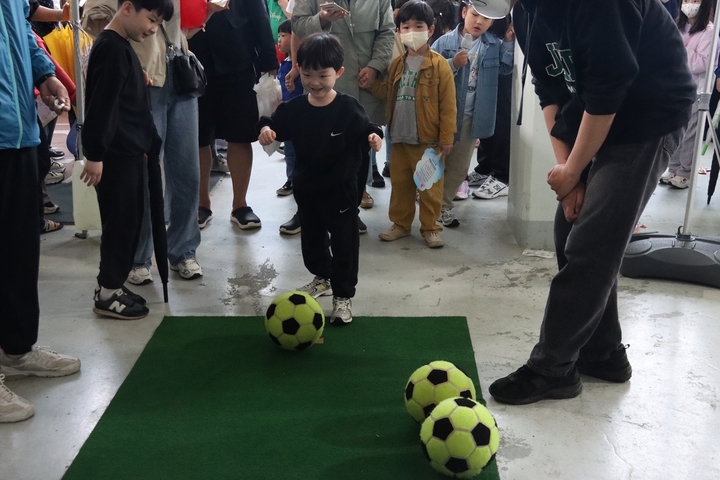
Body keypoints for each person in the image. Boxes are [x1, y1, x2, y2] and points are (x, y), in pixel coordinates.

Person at [489, 0, 696, 405]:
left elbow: (608, 86)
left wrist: (574, 171)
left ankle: (553, 369)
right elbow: (549, 89)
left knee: (592, 243)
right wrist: (569, 175)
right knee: (571, 228)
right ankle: (603, 353)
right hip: (594, 116)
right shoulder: (526, 10)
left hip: (646, 118)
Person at [258, 33, 383, 325]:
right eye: (307, 74)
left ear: (338, 73)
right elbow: (272, 124)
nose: (314, 82)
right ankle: (322, 277)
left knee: (344, 244)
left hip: (341, 190)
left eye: (323, 75)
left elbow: (368, 127)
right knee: (312, 244)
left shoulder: (347, 108)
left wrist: (374, 136)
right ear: (298, 71)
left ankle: (343, 295)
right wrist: (265, 129)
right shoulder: (295, 110)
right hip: (307, 190)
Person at [0, 0, 80, 424]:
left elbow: (20, 31)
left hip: (18, 130)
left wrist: (45, 73)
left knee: (18, 245)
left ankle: (17, 348)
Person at [80, 0, 173, 320]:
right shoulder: (111, 48)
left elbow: (120, 93)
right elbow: (101, 106)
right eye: (151, 19)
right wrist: (94, 155)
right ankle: (107, 292)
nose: (153, 28)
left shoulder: (121, 48)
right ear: (128, 8)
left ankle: (113, 284)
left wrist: (138, 77)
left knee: (130, 223)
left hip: (131, 153)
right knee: (120, 225)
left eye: (159, 23)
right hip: (116, 157)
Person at [291, 0, 395, 229]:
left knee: (358, 149)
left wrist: (375, 66)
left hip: (364, 83)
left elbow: (388, 31)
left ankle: (350, 208)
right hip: (323, 85)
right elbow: (297, 26)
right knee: (315, 147)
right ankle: (306, 209)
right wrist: (322, 20)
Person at [365, 0, 457, 248]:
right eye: (405, 26)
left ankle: (430, 227)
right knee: (401, 186)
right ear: (398, 31)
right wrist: (371, 85)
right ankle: (401, 224)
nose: (411, 31)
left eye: (418, 26)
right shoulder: (397, 64)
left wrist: (447, 137)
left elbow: (448, 105)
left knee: (430, 189)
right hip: (398, 138)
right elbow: (388, 92)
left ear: (431, 29)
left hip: (428, 141)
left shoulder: (439, 65)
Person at [189, 0, 278, 231]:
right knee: (198, 136)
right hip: (194, 62)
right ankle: (201, 203)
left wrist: (269, 60)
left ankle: (240, 205)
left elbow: (260, 15)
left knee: (239, 135)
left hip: (239, 61)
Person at [431, 0, 513, 228]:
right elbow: (429, 72)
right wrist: (453, 63)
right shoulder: (445, 42)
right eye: (475, 15)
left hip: (471, 115)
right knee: (435, 160)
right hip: (443, 113)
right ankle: (428, 201)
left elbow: (504, 69)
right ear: (464, 12)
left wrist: (508, 44)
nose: (479, 22)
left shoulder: (493, 45)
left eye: (486, 19)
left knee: (459, 166)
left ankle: (443, 206)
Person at [660, 0, 716, 189]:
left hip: (696, 89)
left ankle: (685, 171)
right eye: (686, 0)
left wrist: (680, 51)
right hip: (674, 88)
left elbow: (703, 64)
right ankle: (673, 167)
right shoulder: (677, 25)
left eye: (695, 0)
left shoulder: (709, 32)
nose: (689, 4)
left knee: (691, 133)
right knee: (673, 130)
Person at [276, 19, 305, 236]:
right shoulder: (284, 64)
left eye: (283, 36)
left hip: (303, 122)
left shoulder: (301, 68)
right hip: (288, 123)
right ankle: (292, 182)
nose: (280, 41)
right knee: (292, 157)